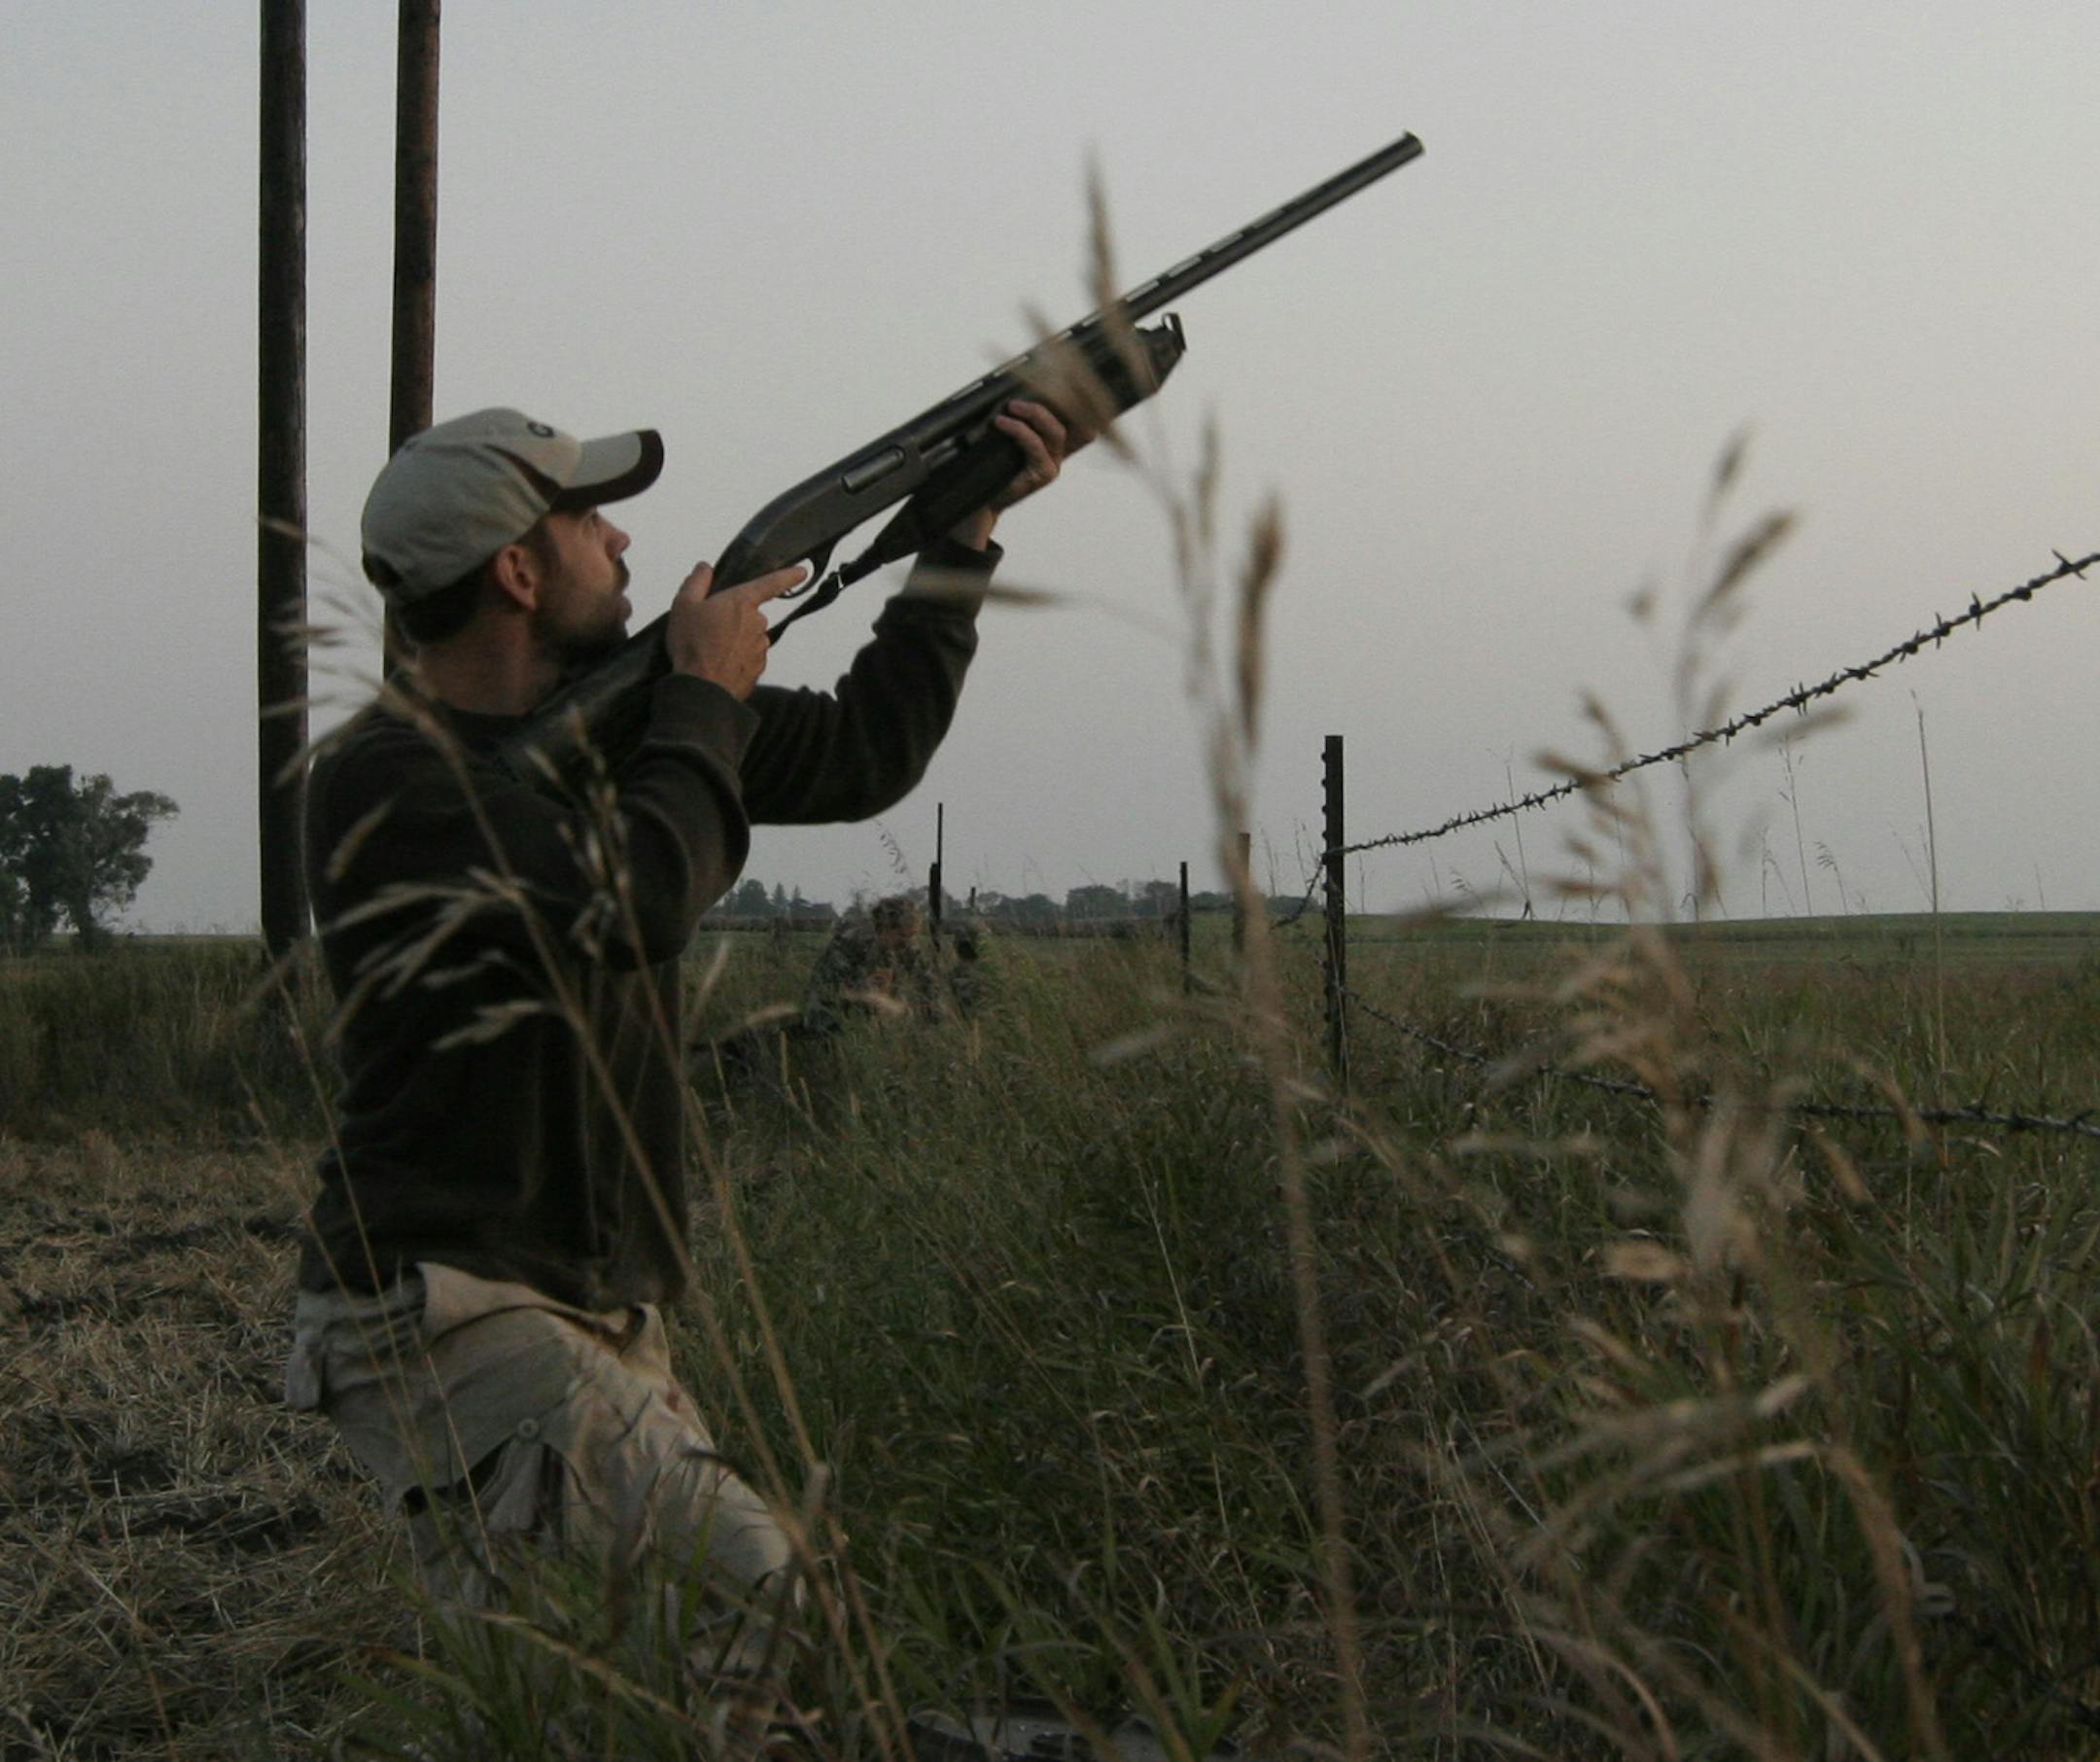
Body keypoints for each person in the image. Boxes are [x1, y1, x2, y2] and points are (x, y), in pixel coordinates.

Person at [284, 400, 1075, 1702]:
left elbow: (873, 752)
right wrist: (703, 695)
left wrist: (958, 536)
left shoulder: (622, 730)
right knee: (777, 1633)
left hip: (585, 1306)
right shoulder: (389, 781)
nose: (624, 537)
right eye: (589, 517)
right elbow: (637, 894)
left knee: (607, 1692)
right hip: (449, 1309)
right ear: (520, 574)